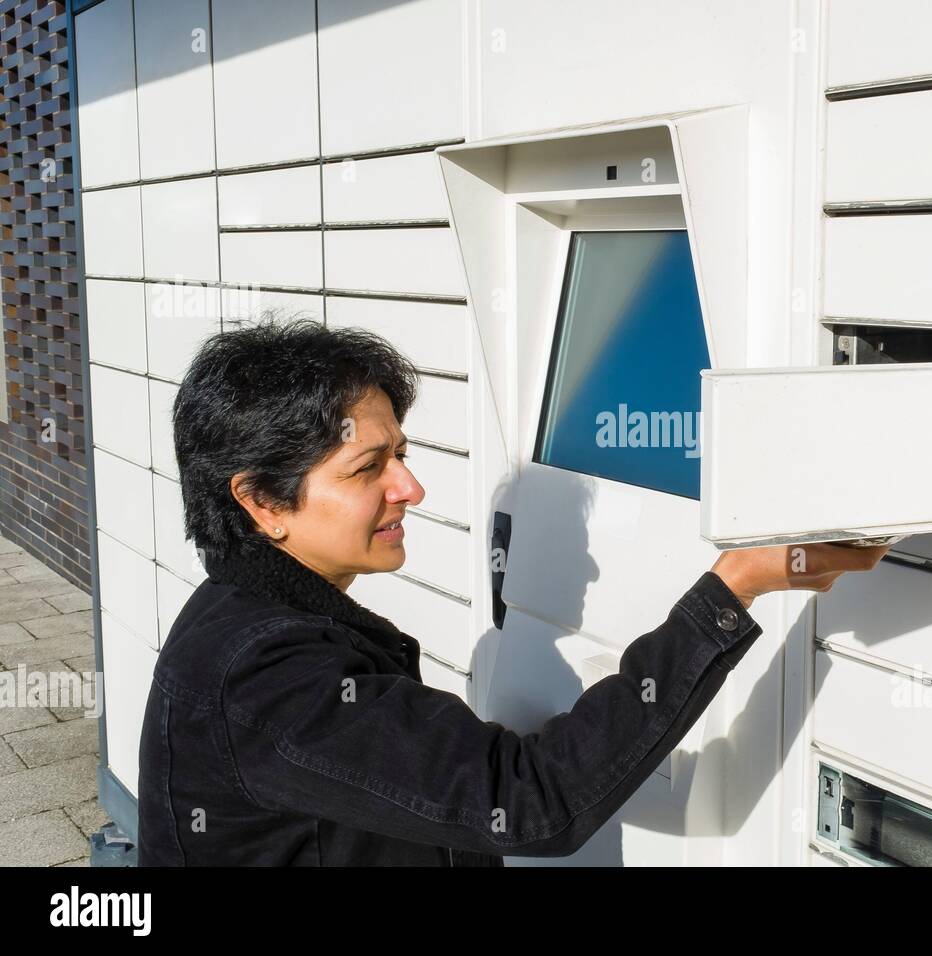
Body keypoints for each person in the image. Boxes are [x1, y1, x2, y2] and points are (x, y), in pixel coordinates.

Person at [136, 318, 890, 866]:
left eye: (402, 453)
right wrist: (735, 586)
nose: (412, 486)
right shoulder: (268, 676)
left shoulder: (252, 617)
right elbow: (526, 801)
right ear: (262, 503)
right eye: (369, 469)